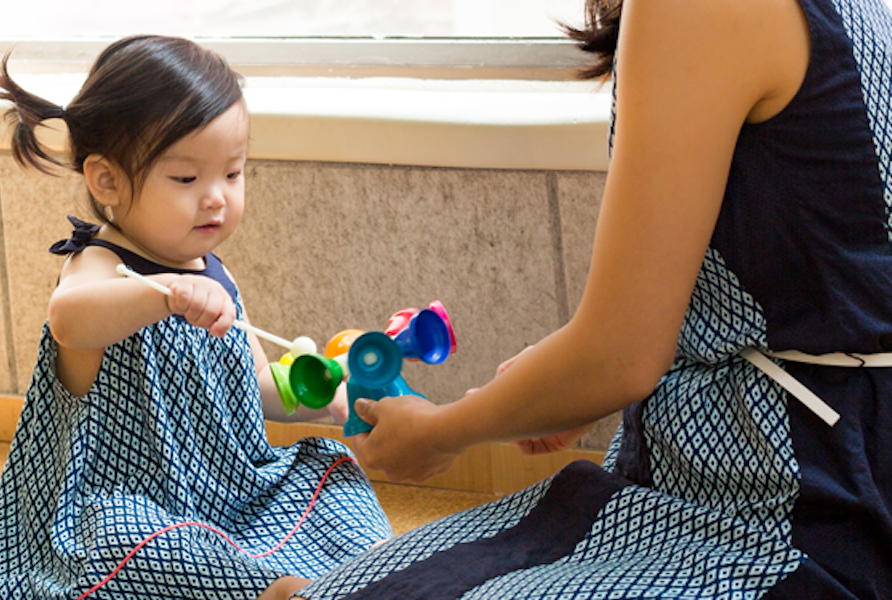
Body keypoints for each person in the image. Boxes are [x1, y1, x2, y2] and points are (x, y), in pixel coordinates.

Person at [269, 0, 892, 595]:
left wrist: (440, 433)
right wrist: (562, 382)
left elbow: (619, 357)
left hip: (793, 503)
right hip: (801, 456)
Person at [0, 35, 391, 600]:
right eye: (187, 180)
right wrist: (164, 293)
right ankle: (273, 589)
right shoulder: (100, 265)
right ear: (107, 180)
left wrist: (307, 393)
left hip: (231, 494)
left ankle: (343, 578)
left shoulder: (216, 274)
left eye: (233, 174)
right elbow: (69, 321)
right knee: (133, 543)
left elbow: (250, 386)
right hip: (121, 505)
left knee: (332, 478)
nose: (216, 198)